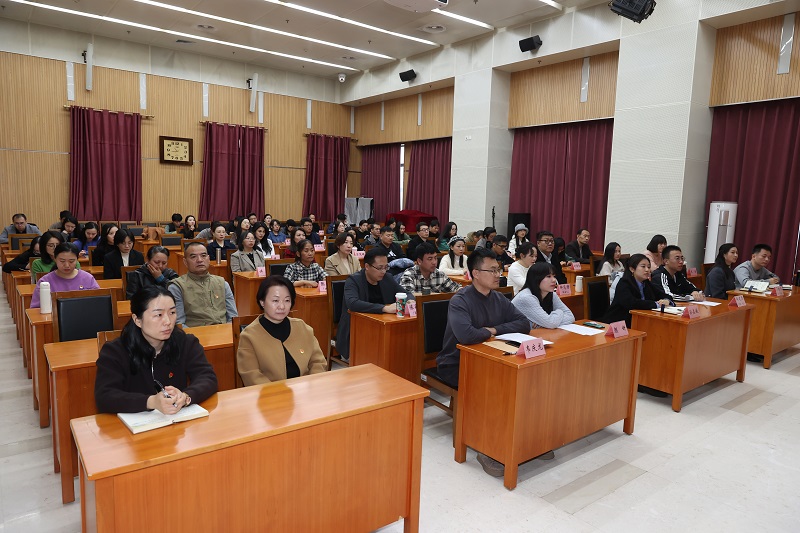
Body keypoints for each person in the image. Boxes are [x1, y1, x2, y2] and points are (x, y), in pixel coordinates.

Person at [435, 247, 534, 476]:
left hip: (492, 359)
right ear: (476, 274)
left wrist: (493, 330)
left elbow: (523, 323)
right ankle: (487, 448)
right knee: (495, 388)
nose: (498, 274)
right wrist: (490, 331)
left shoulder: (498, 298)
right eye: (492, 270)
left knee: (523, 381)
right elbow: (466, 335)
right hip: (456, 363)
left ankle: (523, 439)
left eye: (498, 269)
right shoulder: (460, 300)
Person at [94, 285, 218, 414]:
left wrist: (186, 396)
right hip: (133, 424)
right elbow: (105, 397)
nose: (168, 321)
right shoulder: (115, 351)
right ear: (137, 320)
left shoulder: (186, 342)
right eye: (158, 315)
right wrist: (151, 401)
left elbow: (207, 377)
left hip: (177, 422)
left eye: (172, 313)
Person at [236, 276, 327, 386]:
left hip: (306, 391)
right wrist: (279, 394)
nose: (282, 306)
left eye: (287, 300)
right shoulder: (249, 336)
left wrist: (312, 385)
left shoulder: (302, 327)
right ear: (262, 302)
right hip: (270, 394)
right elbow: (252, 376)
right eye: (275, 300)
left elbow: (318, 362)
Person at [336, 248, 414, 362]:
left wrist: (410, 300)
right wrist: (384, 308)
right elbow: (352, 303)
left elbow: (407, 294)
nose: (383, 271)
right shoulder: (353, 280)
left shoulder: (387, 278)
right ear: (367, 266)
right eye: (379, 268)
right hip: (357, 333)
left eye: (386, 267)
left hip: (382, 329)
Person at [168, 242, 237, 327]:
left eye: (203, 256)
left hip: (224, 331)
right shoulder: (177, 287)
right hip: (194, 333)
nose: (199, 260)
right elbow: (179, 323)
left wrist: (228, 331)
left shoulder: (222, 283)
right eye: (193, 257)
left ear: (208, 259)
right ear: (185, 262)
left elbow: (233, 317)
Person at [601, 253, 672, 328]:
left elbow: (663, 295)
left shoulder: (646, 283)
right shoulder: (624, 283)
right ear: (632, 269)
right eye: (643, 266)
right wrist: (656, 304)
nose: (647, 270)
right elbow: (631, 303)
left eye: (648, 267)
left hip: (640, 320)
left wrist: (667, 300)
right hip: (619, 324)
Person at [31, 242, 100, 307]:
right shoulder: (45, 282)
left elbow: (98, 303)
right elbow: (35, 309)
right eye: (62, 261)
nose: (67, 265)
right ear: (55, 259)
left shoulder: (88, 278)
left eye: (71, 261)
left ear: (77, 259)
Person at [512, 262, 575, 329]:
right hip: (513, 334)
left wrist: (544, 324)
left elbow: (571, 317)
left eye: (554, 276)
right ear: (536, 278)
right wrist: (560, 312)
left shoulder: (551, 294)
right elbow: (550, 323)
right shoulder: (526, 297)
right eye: (548, 276)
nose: (554, 280)